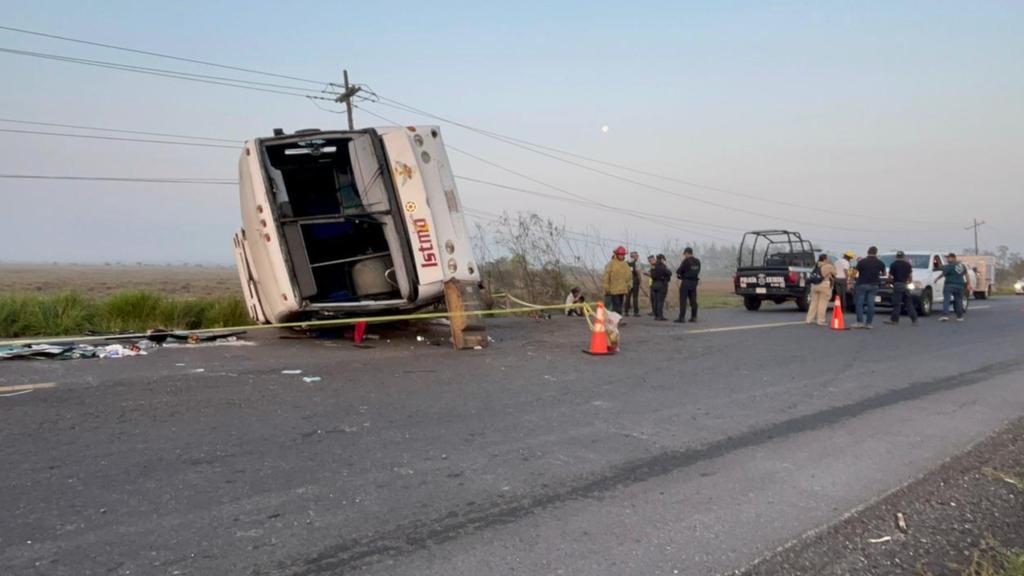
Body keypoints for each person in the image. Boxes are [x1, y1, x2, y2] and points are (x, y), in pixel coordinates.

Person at [853, 246, 886, 329]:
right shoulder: (880, 262)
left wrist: (853, 278)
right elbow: (884, 274)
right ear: (876, 252)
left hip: (862, 284)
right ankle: (869, 324)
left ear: (868, 252)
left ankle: (860, 322)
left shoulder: (862, 262)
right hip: (874, 285)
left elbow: (854, 273)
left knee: (860, 303)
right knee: (871, 304)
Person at [884, 251, 918, 326]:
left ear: (896, 257)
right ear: (903, 257)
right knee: (908, 303)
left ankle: (894, 320)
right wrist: (909, 282)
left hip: (897, 285)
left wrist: (888, 283)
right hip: (905, 285)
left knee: (897, 303)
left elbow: (890, 276)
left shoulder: (893, 264)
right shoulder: (908, 265)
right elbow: (910, 276)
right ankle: (914, 319)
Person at [936, 252, 970, 322]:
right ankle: (959, 317)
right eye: (947, 258)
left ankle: (945, 315)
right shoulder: (962, 265)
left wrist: (937, 278)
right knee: (958, 301)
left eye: (949, 258)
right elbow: (966, 275)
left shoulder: (949, 266)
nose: (948, 259)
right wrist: (969, 284)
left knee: (946, 300)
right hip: (960, 285)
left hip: (949, 285)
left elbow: (943, 272)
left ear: (954, 258)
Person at [805, 253, 835, 326]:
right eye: (827, 258)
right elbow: (835, 274)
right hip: (824, 285)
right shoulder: (828, 266)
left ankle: (809, 319)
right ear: (825, 259)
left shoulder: (815, 265)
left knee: (813, 303)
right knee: (822, 303)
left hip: (814, 285)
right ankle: (820, 321)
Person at [602, 245, 633, 315]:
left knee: (619, 305)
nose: (621, 256)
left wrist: (629, 285)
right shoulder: (611, 264)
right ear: (616, 254)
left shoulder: (625, 265)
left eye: (622, 254)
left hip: (622, 289)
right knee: (616, 305)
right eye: (620, 254)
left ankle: (617, 319)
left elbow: (629, 276)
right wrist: (606, 287)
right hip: (613, 289)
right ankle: (616, 320)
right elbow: (606, 275)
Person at [674, 247, 701, 323]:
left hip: (686, 282)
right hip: (694, 283)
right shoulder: (698, 261)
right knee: (693, 300)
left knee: (683, 300)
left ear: (687, 253)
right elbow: (697, 271)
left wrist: (681, 275)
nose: (684, 256)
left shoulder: (686, 261)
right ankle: (694, 317)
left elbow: (679, 271)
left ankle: (681, 318)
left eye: (684, 254)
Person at [649, 254, 672, 321]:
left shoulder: (653, 266)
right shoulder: (663, 266)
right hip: (662, 284)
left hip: (654, 284)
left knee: (656, 301)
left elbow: (652, 275)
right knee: (660, 301)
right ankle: (660, 316)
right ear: (662, 259)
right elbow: (669, 273)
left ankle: (656, 316)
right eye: (663, 259)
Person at [623, 251, 642, 317]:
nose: (637, 256)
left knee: (627, 297)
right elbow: (638, 272)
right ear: (634, 256)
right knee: (635, 297)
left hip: (628, 281)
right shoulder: (637, 262)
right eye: (636, 255)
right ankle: (636, 312)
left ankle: (626, 311)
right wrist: (640, 281)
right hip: (635, 281)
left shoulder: (626, 262)